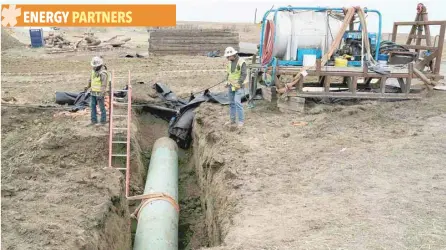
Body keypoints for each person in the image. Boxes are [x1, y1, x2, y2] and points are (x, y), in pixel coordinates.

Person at [224, 46, 247, 127]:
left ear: (233, 54)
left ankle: (241, 121)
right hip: (231, 86)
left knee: (237, 102)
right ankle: (232, 120)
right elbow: (228, 73)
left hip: (238, 87)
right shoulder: (230, 62)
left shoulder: (241, 62)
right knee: (231, 103)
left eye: (228, 57)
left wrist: (239, 84)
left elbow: (244, 74)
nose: (227, 58)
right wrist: (226, 81)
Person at [85, 56, 109, 126]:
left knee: (101, 108)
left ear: (99, 65)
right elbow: (90, 80)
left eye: (95, 66)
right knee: (92, 107)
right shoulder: (93, 71)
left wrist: (101, 94)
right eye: (93, 66)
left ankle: (103, 121)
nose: (94, 67)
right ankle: (93, 121)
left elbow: (104, 85)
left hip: (99, 94)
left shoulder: (103, 73)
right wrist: (87, 87)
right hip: (93, 93)